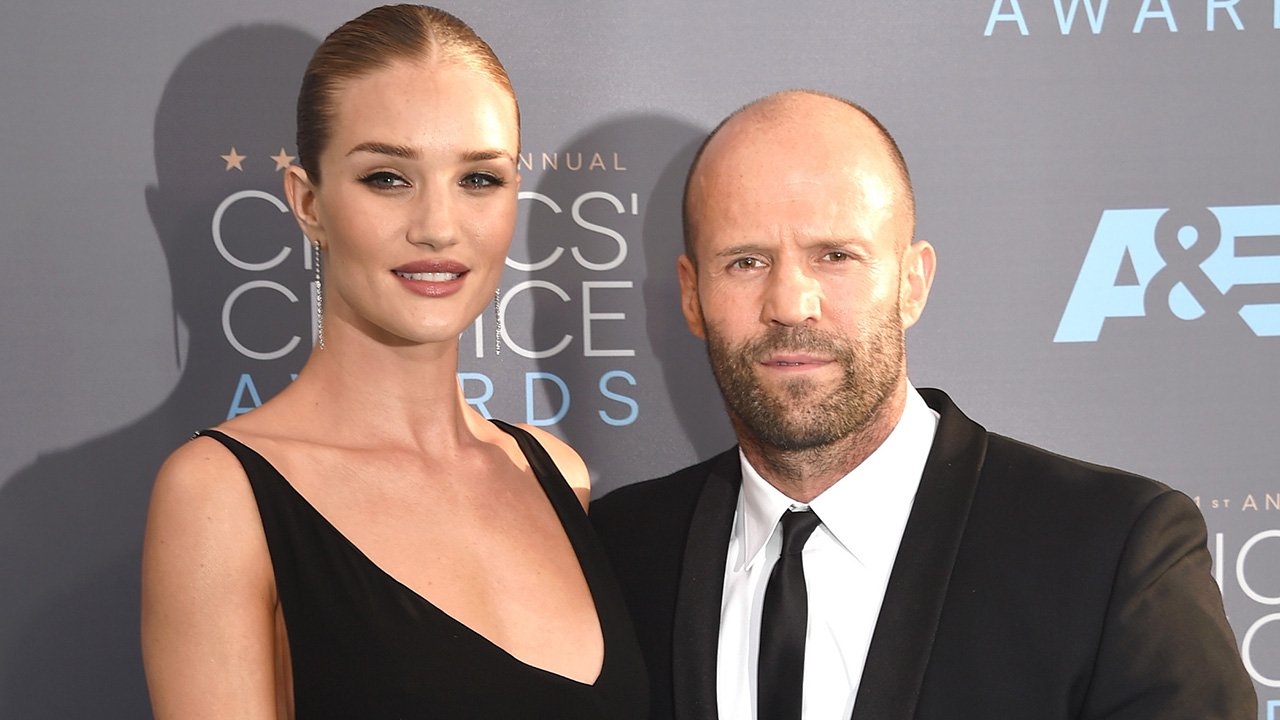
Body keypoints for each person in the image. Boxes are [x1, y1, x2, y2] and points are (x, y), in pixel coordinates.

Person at [589, 89, 1255, 720]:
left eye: (836, 256)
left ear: (913, 282)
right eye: (745, 262)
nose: (791, 304)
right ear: (690, 294)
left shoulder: (1113, 552)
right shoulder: (622, 552)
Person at [140, 6, 646, 718]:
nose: (438, 226)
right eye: (386, 177)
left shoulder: (558, 475)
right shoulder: (221, 496)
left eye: (479, 179)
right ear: (309, 202)